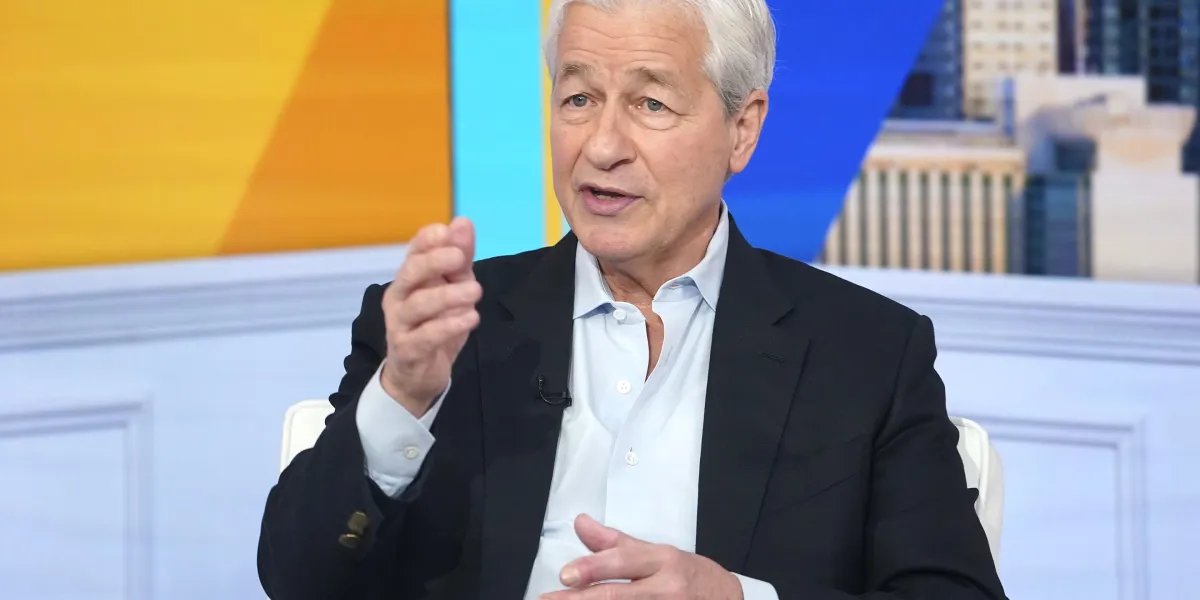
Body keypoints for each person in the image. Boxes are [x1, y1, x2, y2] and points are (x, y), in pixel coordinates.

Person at [257, 0, 1007, 598]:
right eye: (578, 97)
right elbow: (299, 579)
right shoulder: (449, 328)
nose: (602, 145)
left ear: (742, 129)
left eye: (650, 103)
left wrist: (736, 598)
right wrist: (402, 398)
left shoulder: (866, 353)